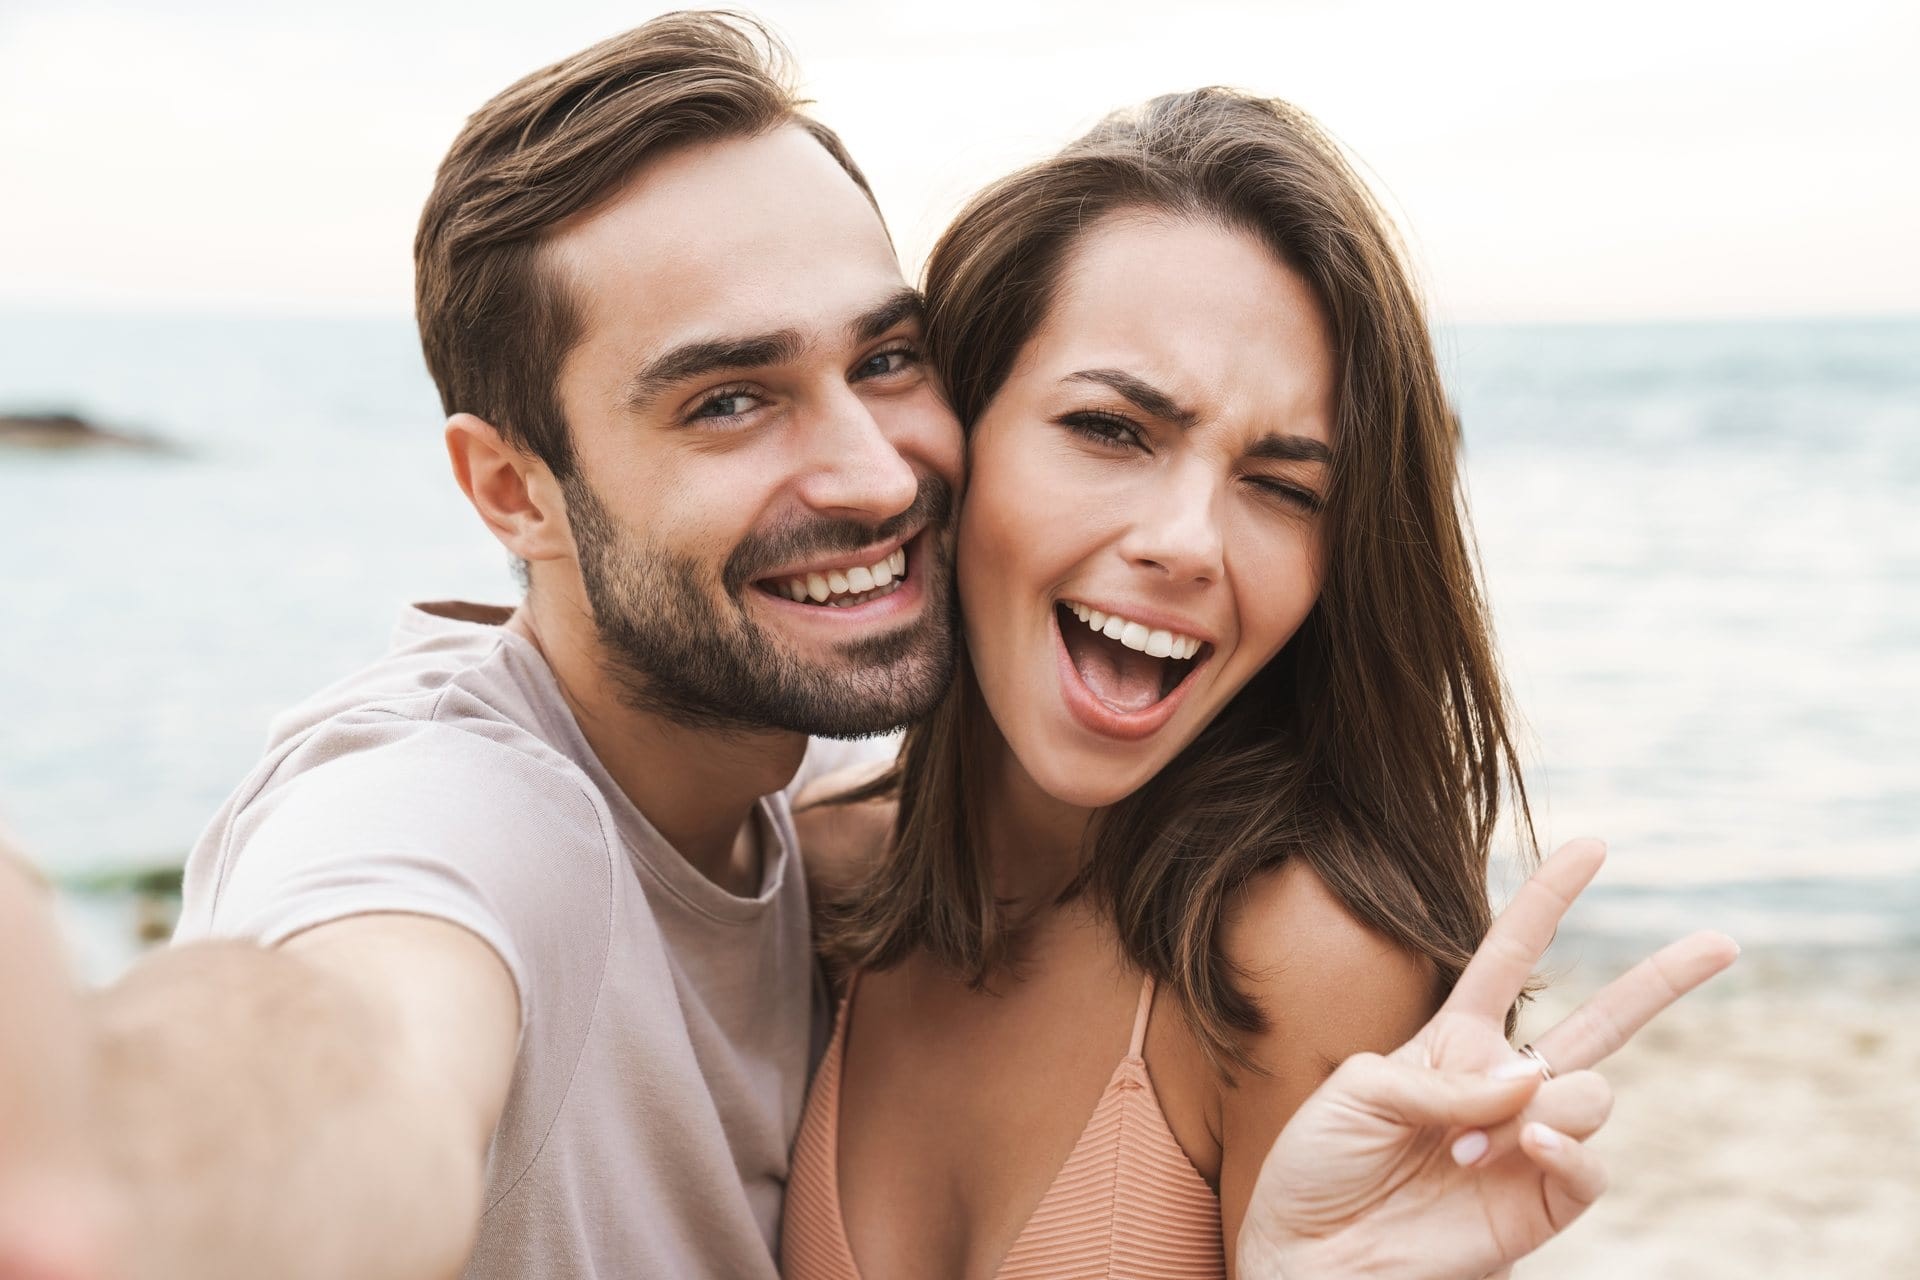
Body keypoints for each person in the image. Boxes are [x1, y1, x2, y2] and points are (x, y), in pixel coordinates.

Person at [0, 16, 1727, 1280]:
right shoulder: (594, 832)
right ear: (509, 487)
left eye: (882, 365)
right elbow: (366, 1033)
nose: (864, 463)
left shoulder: (1231, 938)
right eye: (732, 396)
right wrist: (112, 1150)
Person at [779, 89, 1737, 1279]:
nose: (1190, 542)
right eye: (1112, 428)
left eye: (1284, 488)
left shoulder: (1293, 961)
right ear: (951, 432)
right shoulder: (820, 881)